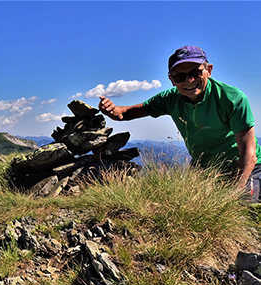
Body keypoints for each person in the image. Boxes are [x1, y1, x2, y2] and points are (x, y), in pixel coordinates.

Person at [98, 45, 261, 203]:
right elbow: (126, 113)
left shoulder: (232, 99)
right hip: (204, 169)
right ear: (171, 80)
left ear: (208, 70)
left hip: (245, 168)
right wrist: (112, 110)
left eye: (195, 73)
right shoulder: (170, 99)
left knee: (240, 207)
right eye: (179, 77)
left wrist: (232, 194)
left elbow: (249, 153)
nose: (189, 80)